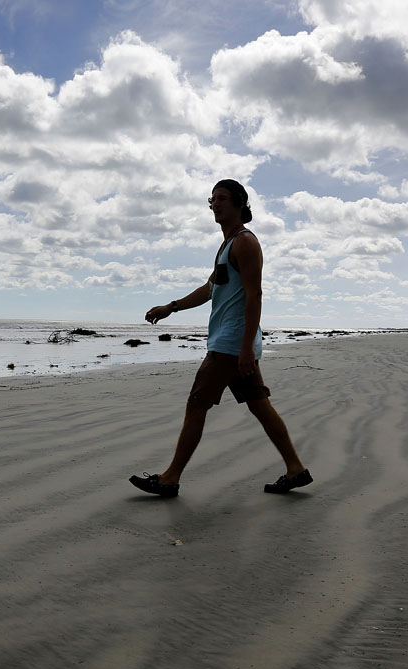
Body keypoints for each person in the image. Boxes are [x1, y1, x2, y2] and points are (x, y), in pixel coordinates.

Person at [129, 179, 312, 498]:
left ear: (240, 203)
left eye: (222, 198)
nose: (215, 204)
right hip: (237, 345)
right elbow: (209, 289)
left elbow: (255, 295)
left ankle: (170, 478)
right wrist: (172, 307)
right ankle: (295, 468)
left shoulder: (245, 242)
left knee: (196, 405)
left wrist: (244, 350)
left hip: (230, 345)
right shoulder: (227, 245)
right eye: (212, 199)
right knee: (260, 406)